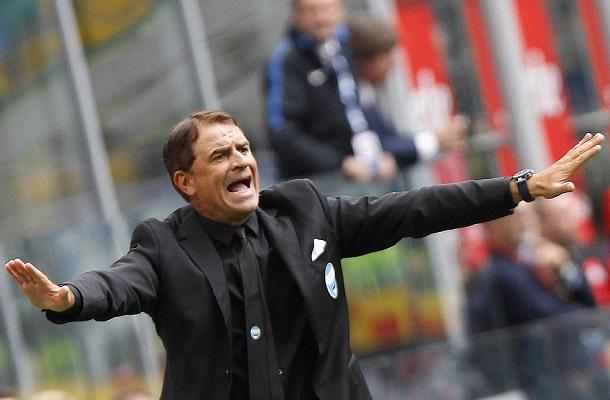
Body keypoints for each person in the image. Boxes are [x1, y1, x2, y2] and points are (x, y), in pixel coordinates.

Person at [4, 110, 604, 400]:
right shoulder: (163, 245)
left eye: (244, 149)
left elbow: (413, 208)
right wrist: (67, 298)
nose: (241, 160)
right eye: (221, 155)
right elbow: (119, 283)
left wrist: (518, 188)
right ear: (186, 182)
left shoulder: (304, 210)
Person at [265, 0, 466, 182]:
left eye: (328, 9)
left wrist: (376, 159)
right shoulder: (286, 61)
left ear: (341, 10)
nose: (321, 18)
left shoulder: (342, 50)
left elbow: (361, 123)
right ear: (297, 15)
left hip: (364, 179)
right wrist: (340, 163)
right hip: (322, 184)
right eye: (312, 11)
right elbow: (283, 133)